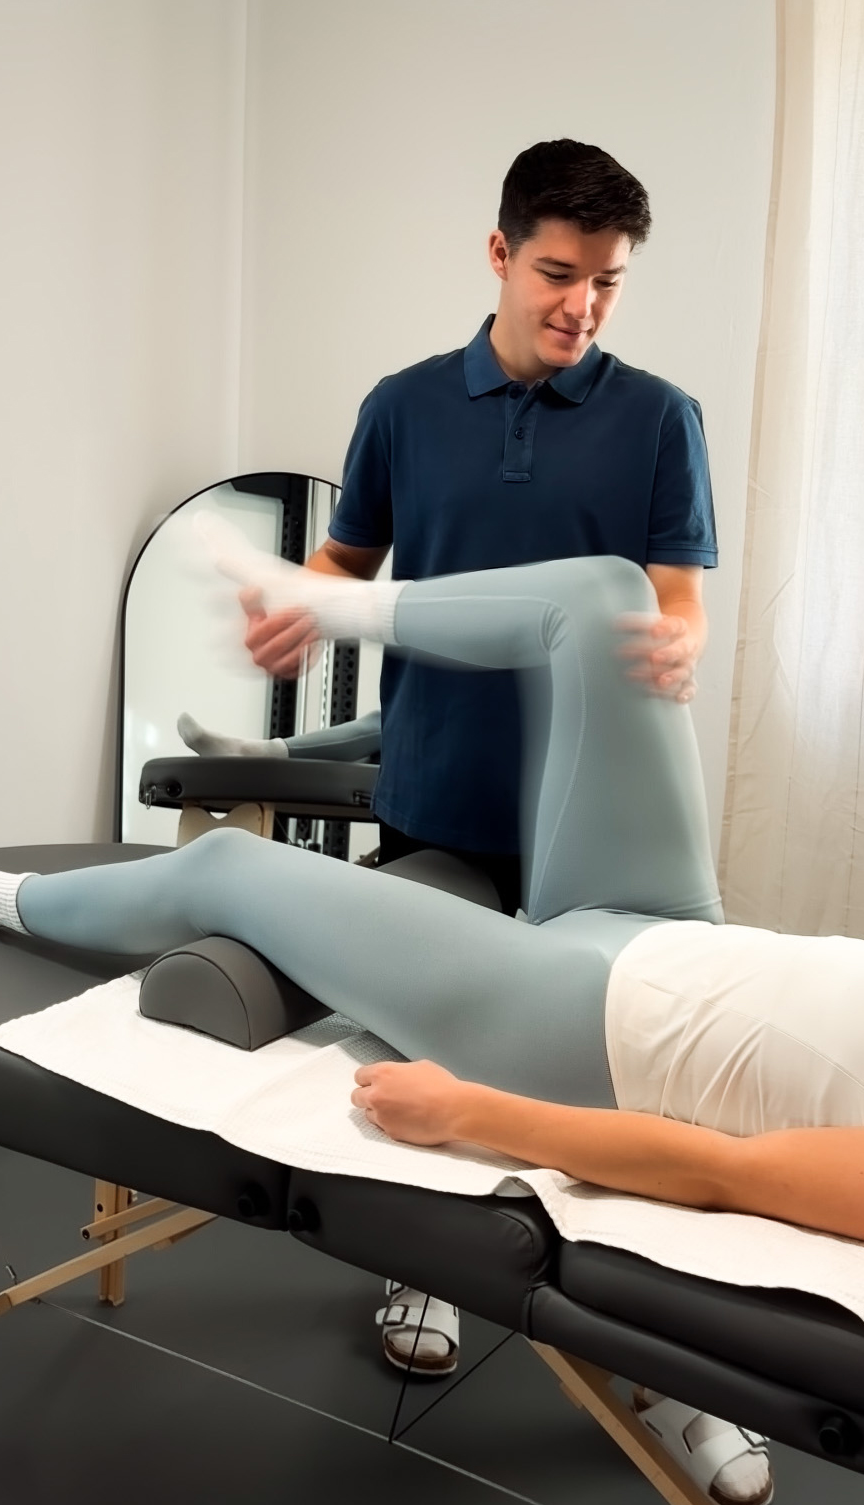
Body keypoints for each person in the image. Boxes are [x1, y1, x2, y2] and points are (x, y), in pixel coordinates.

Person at [0, 546, 864, 1385]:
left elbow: (732, 1175)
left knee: (231, 870)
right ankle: (317, 603)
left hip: (581, 1024)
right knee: (606, 601)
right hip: (667, 926)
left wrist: (471, 1115)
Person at [186, 136, 720, 1409]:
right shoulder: (402, 407)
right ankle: (426, 1262)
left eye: (606, 282)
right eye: (555, 272)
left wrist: (680, 644)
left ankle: (673, 1374)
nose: (579, 306)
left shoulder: (660, 419)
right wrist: (298, 610)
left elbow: (679, 601)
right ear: (497, 252)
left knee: (623, 1085)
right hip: (442, 792)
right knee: (434, 1054)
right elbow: (341, 569)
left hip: (598, 826)